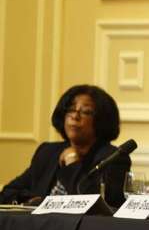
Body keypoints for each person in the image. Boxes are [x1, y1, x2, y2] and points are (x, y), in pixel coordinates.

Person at [0, 85, 131, 208]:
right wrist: (36, 201)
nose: (75, 116)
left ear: (102, 120)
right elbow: (8, 192)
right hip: (39, 228)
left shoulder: (114, 158)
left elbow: (93, 205)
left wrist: (72, 161)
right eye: (71, 109)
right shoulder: (48, 152)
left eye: (86, 111)